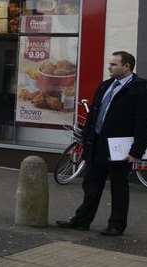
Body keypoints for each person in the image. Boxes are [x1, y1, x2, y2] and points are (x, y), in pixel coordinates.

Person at [57, 51, 147, 236]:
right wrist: (86, 139)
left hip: (119, 147)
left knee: (118, 186)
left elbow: (142, 121)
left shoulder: (139, 88)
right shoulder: (105, 85)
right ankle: (82, 221)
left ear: (127, 66)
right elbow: (94, 115)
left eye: (114, 64)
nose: (109, 67)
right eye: (110, 64)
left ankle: (116, 225)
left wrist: (136, 150)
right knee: (91, 184)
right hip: (97, 144)